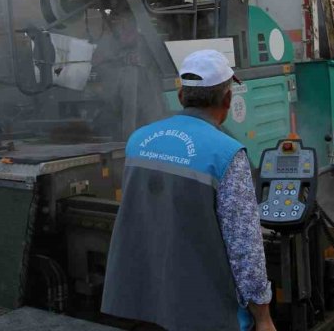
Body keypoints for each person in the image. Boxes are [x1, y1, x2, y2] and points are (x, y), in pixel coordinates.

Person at [102, 50, 276, 331]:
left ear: (182, 97)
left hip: (143, 306)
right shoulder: (227, 154)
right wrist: (263, 316)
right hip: (203, 313)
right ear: (228, 100)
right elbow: (244, 246)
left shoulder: (138, 141)